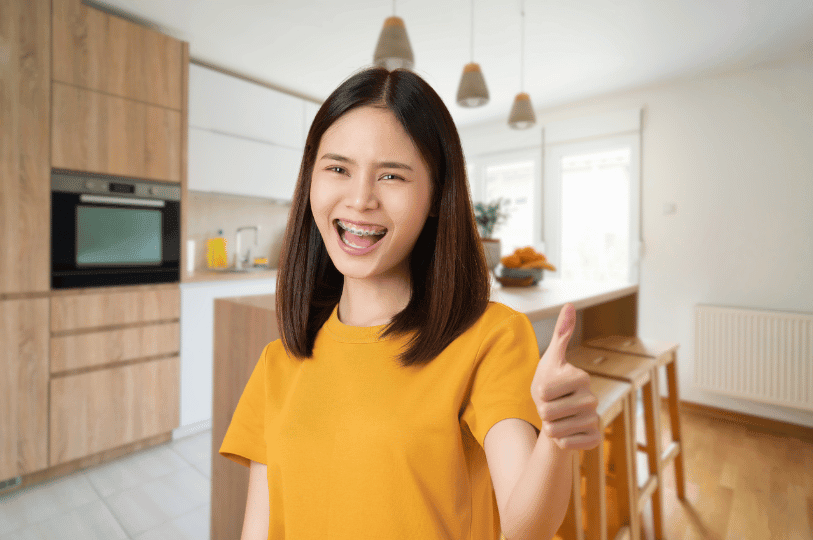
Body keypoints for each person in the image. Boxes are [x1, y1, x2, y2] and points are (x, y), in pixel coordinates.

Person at [219, 66, 600, 540]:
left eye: (392, 176)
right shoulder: (277, 364)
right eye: (338, 168)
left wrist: (556, 441)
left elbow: (527, 527)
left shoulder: (490, 337)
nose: (360, 200)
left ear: (436, 196)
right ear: (310, 181)